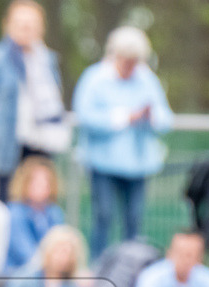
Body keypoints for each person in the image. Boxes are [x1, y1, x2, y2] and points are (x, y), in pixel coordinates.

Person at [72, 26, 174, 260]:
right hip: (102, 164)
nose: (130, 66)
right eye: (126, 60)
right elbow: (85, 116)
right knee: (104, 216)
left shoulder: (147, 80)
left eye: (134, 61)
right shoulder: (95, 78)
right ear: (114, 55)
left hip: (138, 165)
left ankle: (130, 271)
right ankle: (98, 267)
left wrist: (149, 118)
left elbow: (165, 118)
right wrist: (124, 117)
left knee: (134, 220)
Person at [0, 0, 69, 200]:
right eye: (21, 23)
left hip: (37, 144)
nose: (26, 29)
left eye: (31, 24)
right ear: (8, 25)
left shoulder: (46, 62)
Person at [5, 156, 66, 274]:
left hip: (48, 273)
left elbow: (61, 244)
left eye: (46, 181)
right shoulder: (15, 212)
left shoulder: (55, 212)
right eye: (36, 182)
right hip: (18, 273)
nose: (42, 186)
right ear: (25, 182)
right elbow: (25, 253)